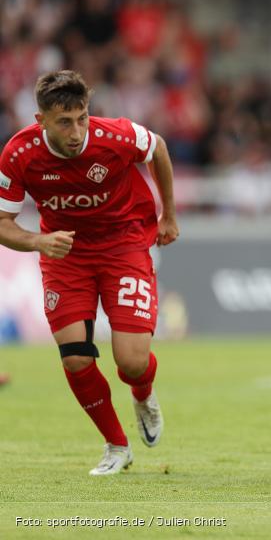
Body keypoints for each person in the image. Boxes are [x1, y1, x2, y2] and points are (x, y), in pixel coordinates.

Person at [0, 70, 179, 475]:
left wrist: (168, 213)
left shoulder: (115, 136)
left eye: (82, 117)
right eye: (64, 122)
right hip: (65, 255)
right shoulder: (17, 154)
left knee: (131, 363)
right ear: (40, 119)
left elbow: (159, 149)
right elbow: (2, 223)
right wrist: (37, 242)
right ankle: (116, 445)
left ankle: (143, 394)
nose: (77, 130)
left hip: (124, 245)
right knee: (76, 359)